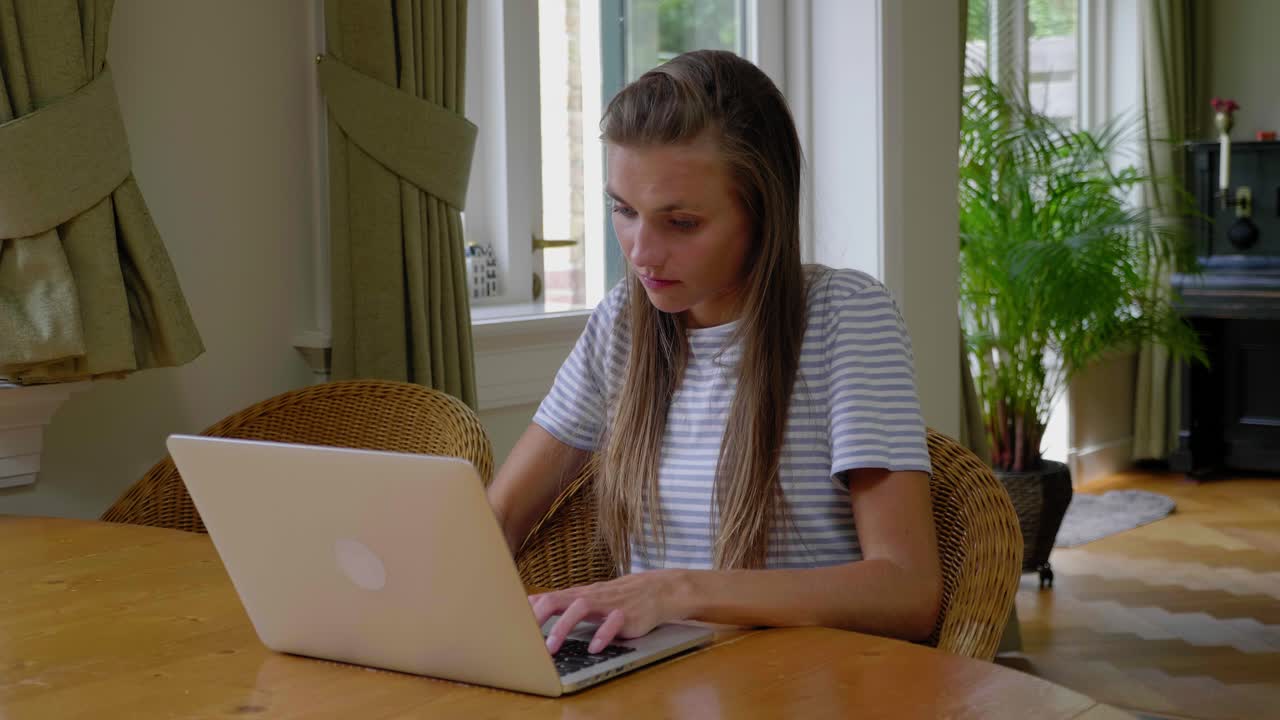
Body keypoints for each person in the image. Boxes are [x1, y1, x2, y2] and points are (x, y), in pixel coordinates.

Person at [486, 49, 941, 656]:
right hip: (657, 686)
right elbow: (502, 516)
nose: (642, 253)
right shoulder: (623, 323)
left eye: (681, 223)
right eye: (624, 211)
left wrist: (676, 591)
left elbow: (906, 591)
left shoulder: (844, 317)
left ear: (762, 212)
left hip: (807, 682)